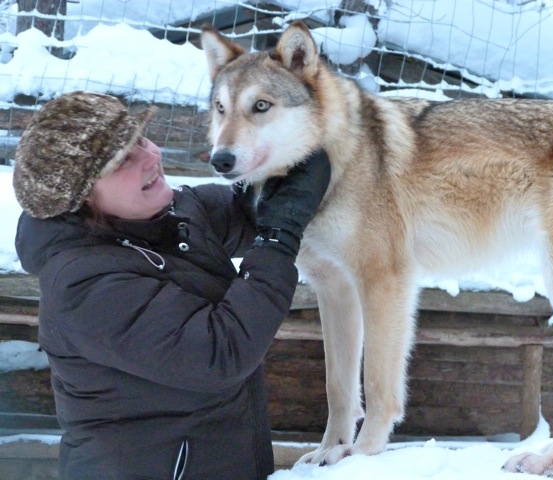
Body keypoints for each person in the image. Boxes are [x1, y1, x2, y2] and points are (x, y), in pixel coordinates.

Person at [12, 91, 331, 480]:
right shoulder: (83, 286)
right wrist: (277, 241)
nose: (152, 154)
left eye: (141, 139)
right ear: (83, 199)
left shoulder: (161, 215)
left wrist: (282, 161)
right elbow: (220, 352)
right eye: (124, 159)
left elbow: (243, 213)